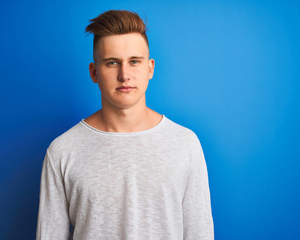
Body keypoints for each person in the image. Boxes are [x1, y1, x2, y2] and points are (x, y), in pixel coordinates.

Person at [36, 10, 214, 240]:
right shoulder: (62, 151)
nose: (124, 75)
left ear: (150, 68)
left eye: (134, 62)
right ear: (94, 72)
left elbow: (199, 233)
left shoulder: (185, 144)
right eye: (112, 63)